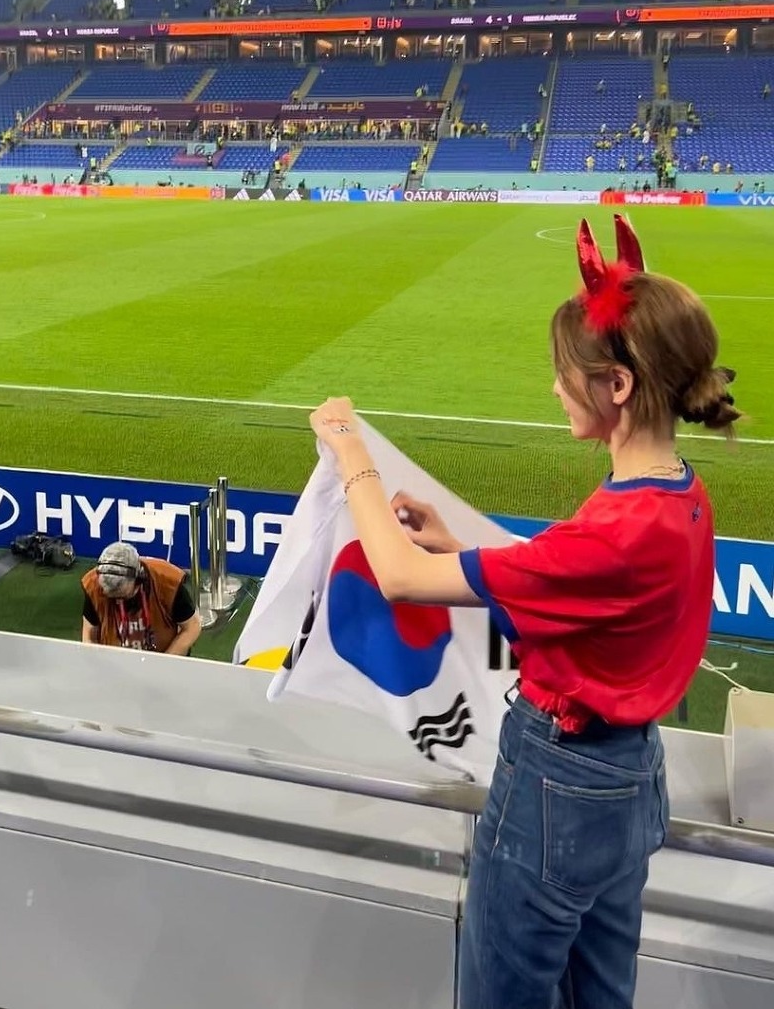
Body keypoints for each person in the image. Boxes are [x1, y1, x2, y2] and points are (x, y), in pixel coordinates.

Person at [308, 214, 737, 1009]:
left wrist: (351, 449)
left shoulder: (619, 528)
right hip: (631, 777)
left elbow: (398, 578)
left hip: (558, 786)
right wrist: (458, 540)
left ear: (618, 385)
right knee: (600, 994)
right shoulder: (681, 494)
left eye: (566, 372)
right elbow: (574, 576)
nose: (554, 386)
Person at [81, 541, 202, 655]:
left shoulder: (167, 582)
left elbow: (192, 627)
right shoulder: (94, 586)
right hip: (115, 661)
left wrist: (165, 663)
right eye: (110, 596)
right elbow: (89, 634)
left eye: (123, 596)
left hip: (164, 656)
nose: (118, 601)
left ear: (139, 580)